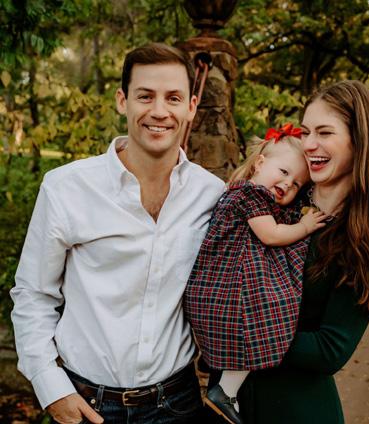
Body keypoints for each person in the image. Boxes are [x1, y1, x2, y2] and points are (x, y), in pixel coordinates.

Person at [10, 43, 225, 424]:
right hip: (87, 405)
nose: (159, 111)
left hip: (178, 404)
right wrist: (50, 386)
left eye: (173, 98)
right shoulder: (66, 188)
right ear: (122, 101)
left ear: (191, 107)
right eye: (145, 96)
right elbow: (33, 294)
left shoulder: (211, 194)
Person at [234, 80, 369, 423]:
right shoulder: (283, 193)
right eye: (306, 131)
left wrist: (241, 329)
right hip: (229, 405)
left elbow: (330, 349)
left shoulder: (365, 234)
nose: (309, 144)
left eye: (324, 132)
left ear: (360, 140)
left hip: (295, 410)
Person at [184, 124, 327, 424]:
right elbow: (271, 235)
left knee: (257, 320)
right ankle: (225, 391)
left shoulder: (250, 196)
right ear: (260, 163)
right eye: (284, 172)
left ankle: (224, 380)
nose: (287, 184)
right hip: (226, 288)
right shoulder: (249, 194)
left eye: (297, 184)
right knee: (264, 316)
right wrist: (304, 227)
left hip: (220, 287)